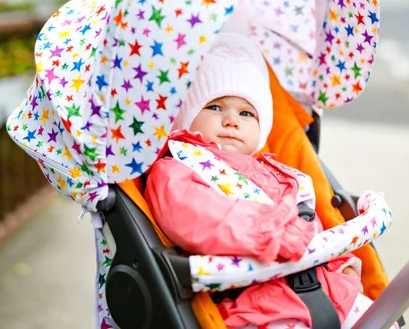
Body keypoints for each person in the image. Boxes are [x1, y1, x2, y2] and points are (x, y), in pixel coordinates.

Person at [144, 32, 393, 329]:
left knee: (383, 319)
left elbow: (309, 220)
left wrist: (339, 262)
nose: (232, 120)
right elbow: (198, 216)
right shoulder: (178, 168)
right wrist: (271, 231)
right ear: (186, 115)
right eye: (214, 107)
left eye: (246, 112)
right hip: (257, 302)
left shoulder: (277, 173)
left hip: (326, 289)